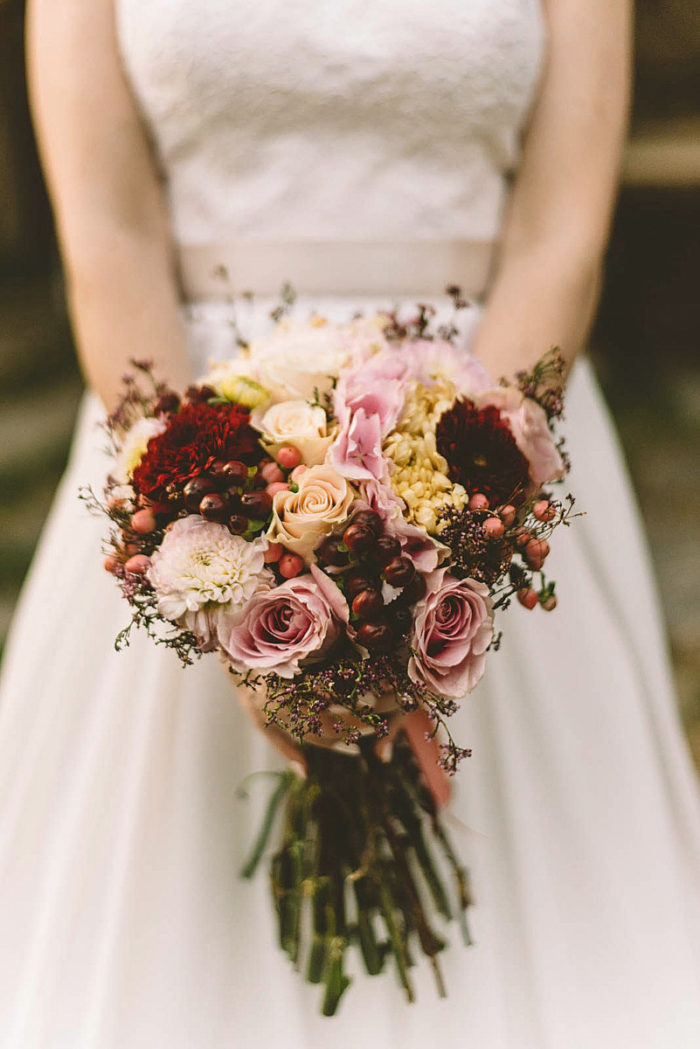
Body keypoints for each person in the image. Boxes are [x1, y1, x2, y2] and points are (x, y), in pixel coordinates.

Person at [1, 0, 699, 1045]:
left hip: (483, 423)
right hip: (198, 442)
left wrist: (465, 533)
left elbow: (559, 229)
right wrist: (214, 562)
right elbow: (109, 231)